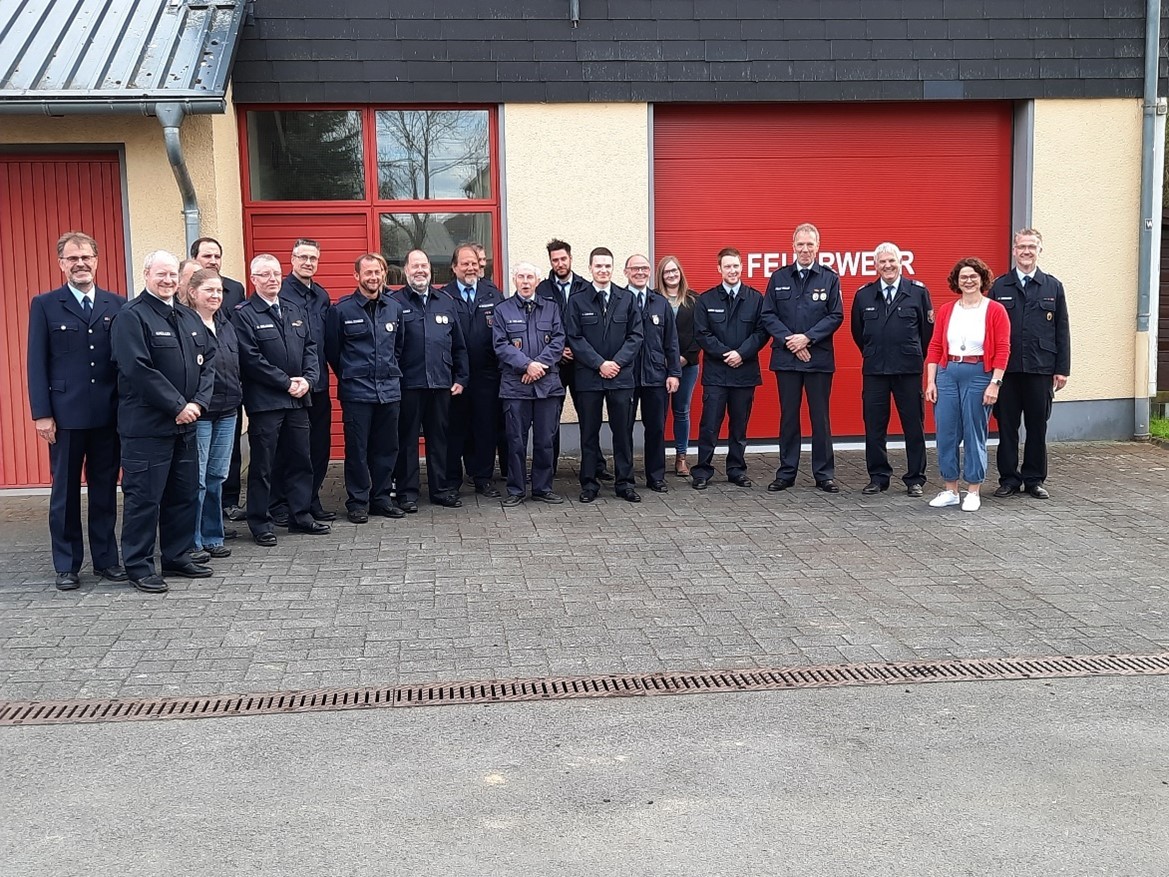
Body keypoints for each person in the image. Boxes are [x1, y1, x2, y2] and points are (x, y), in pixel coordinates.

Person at [110, 250, 216, 592]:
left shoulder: (187, 317)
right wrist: (176, 406)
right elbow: (137, 369)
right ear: (146, 274)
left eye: (173, 275)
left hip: (186, 424)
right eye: (161, 274)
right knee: (144, 499)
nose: (168, 280)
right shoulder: (132, 317)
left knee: (182, 494)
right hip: (147, 429)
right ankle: (138, 565)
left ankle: (176, 555)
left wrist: (198, 402)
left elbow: (209, 361)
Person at [27, 231, 126, 590]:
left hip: (108, 415)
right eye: (72, 258)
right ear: (61, 264)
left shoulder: (116, 305)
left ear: (97, 261)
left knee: (104, 490)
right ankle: (67, 565)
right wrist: (42, 414)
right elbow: (36, 363)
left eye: (86, 257)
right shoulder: (45, 304)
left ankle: (106, 561)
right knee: (65, 494)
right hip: (65, 417)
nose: (80, 264)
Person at [232, 253, 329, 545]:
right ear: (253, 279)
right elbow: (251, 359)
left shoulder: (293, 308)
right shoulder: (244, 313)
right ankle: (260, 522)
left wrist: (309, 380)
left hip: (298, 400)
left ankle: (301, 516)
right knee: (263, 466)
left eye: (275, 273)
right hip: (267, 404)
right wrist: (285, 382)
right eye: (264, 275)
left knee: (302, 459)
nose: (272, 279)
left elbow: (311, 347)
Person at [988, 228, 1072, 499]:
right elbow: (989, 330)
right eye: (1022, 247)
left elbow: (1062, 329)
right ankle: (1009, 479)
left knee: (1037, 427)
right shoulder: (1000, 286)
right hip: (1007, 370)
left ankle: (1034, 479)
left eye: (1031, 247)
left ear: (1039, 250)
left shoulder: (1052, 286)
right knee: (1007, 427)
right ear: (1014, 251)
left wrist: (1062, 368)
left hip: (1040, 368)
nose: (1026, 252)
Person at [761, 223, 844, 493]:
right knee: (788, 418)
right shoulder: (779, 277)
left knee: (820, 418)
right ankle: (786, 472)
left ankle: (824, 474)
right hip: (786, 359)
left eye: (810, 244)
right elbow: (768, 315)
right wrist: (791, 341)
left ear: (818, 247)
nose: (805, 249)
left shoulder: (829, 278)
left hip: (817, 359)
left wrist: (807, 338)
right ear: (792, 246)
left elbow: (835, 315)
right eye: (800, 244)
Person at [924, 257, 1011, 512]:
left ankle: (973, 489)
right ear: (957, 281)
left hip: (979, 373)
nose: (969, 280)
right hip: (947, 372)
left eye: (974, 276)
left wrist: (995, 382)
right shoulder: (947, 310)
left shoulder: (994, 310)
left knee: (974, 432)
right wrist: (931, 380)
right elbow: (935, 346)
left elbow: (1003, 349)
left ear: (983, 279)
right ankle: (950, 489)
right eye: (964, 277)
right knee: (946, 432)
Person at [326, 253, 406, 523]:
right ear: (357, 276)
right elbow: (334, 352)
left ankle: (382, 498)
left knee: (387, 448)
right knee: (357, 450)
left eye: (378, 272)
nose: (374, 277)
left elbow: (399, 347)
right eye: (368, 273)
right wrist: (350, 375)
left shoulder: (394, 308)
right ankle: (358, 501)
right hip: (357, 393)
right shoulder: (341, 310)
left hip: (389, 391)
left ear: (384, 275)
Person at [849, 242, 934, 498]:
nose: (887, 266)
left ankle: (915, 478)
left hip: (908, 370)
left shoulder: (918, 292)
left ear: (901, 263)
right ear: (875, 266)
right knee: (874, 426)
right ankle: (878, 477)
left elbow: (926, 332)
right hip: (875, 369)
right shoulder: (864, 294)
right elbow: (858, 332)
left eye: (892, 261)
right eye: (882, 262)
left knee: (913, 425)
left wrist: (911, 352)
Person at [391, 249, 470, 511]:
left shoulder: (445, 301)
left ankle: (441, 489)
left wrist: (461, 376)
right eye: (415, 266)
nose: (420, 270)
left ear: (430, 269)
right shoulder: (394, 303)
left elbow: (459, 345)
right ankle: (407, 492)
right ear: (406, 270)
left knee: (440, 440)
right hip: (408, 385)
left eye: (424, 265)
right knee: (407, 440)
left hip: (441, 384)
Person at [565, 247, 645, 503]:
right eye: (598, 266)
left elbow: (636, 336)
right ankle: (589, 484)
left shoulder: (626, 299)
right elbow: (574, 338)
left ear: (613, 269)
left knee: (623, 431)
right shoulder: (577, 300)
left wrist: (616, 363)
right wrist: (599, 363)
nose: (603, 270)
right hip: (589, 377)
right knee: (589, 432)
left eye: (607, 266)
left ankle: (625, 483)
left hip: (620, 377)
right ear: (590, 268)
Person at [691, 247, 768, 490]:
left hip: (744, 374)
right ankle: (702, 470)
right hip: (716, 374)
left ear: (741, 267)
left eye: (735, 266)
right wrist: (727, 354)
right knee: (709, 425)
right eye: (727, 266)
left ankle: (736, 469)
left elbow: (761, 332)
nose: (732, 270)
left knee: (739, 426)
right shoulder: (706, 300)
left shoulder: (755, 299)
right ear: (719, 269)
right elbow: (702, 334)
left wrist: (741, 354)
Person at [536, 238, 611, 480]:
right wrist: (558, 351)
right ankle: (550, 468)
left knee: (589, 417)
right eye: (555, 260)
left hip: (583, 365)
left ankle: (596, 465)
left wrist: (577, 351)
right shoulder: (542, 290)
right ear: (550, 262)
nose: (560, 263)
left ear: (570, 258)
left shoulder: (586, 287)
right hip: (554, 365)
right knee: (552, 419)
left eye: (563, 258)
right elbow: (539, 327)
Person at [493, 262, 566, 506]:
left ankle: (542, 488)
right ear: (514, 280)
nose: (525, 281)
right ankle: (515, 490)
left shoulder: (552, 308)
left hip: (547, 386)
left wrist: (537, 367)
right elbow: (500, 345)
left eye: (530, 277)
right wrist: (527, 365)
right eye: (521, 277)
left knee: (545, 440)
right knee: (515, 441)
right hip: (515, 387)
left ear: (537, 281)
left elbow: (558, 341)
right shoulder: (503, 310)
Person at [276, 237, 334, 524]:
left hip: (319, 383)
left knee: (318, 446)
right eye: (302, 257)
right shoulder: (280, 293)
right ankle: (282, 504)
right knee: (291, 449)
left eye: (313, 258)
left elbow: (329, 341)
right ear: (292, 259)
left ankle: (311, 500)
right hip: (291, 386)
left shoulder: (321, 296)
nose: (308, 262)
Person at [190, 236, 246, 523]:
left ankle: (225, 511)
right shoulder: (185, 311)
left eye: (217, 256)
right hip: (199, 404)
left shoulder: (233, 297)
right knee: (199, 471)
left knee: (225, 463)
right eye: (207, 255)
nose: (213, 260)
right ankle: (198, 531)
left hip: (229, 397)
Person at [443, 243, 505, 498]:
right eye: (464, 263)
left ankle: (483, 478)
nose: (470, 267)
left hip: (486, 374)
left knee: (485, 427)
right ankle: (452, 481)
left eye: (474, 263)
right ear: (454, 267)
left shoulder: (492, 293)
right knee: (455, 429)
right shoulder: (443, 296)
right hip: (455, 376)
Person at [188, 269, 240, 559]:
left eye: (219, 291)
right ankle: (193, 540)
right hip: (202, 414)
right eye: (209, 290)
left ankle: (213, 535)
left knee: (217, 477)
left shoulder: (225, 323)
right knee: (197, 480)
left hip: (228, 410)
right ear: (193, 292)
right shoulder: (185, 323)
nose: (216, 296)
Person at [625, 253, 681, 492]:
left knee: (656, 427)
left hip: (656, 376)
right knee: (623, 428)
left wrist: (674, 373)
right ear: (626, 272)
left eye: (644, 268)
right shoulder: (619, 299)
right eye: (635, 268)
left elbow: (672, 341)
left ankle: (656, 476)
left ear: (650, 272)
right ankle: (625, 477)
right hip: (625, 377)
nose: (640, 272)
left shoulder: (660, 302)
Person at [656, 255, 699, 478]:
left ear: (680, 272)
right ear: (661, 276)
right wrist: (662, 360)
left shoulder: (694, 300)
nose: (671, 275)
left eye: (675, 271)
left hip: (687, 364)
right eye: (667, 272)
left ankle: (681, 457)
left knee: (681, 411)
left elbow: (699, 334)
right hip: (657, 366)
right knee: (658, 413)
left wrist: (683, 358)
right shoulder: (653, 299)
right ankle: (656, 458)